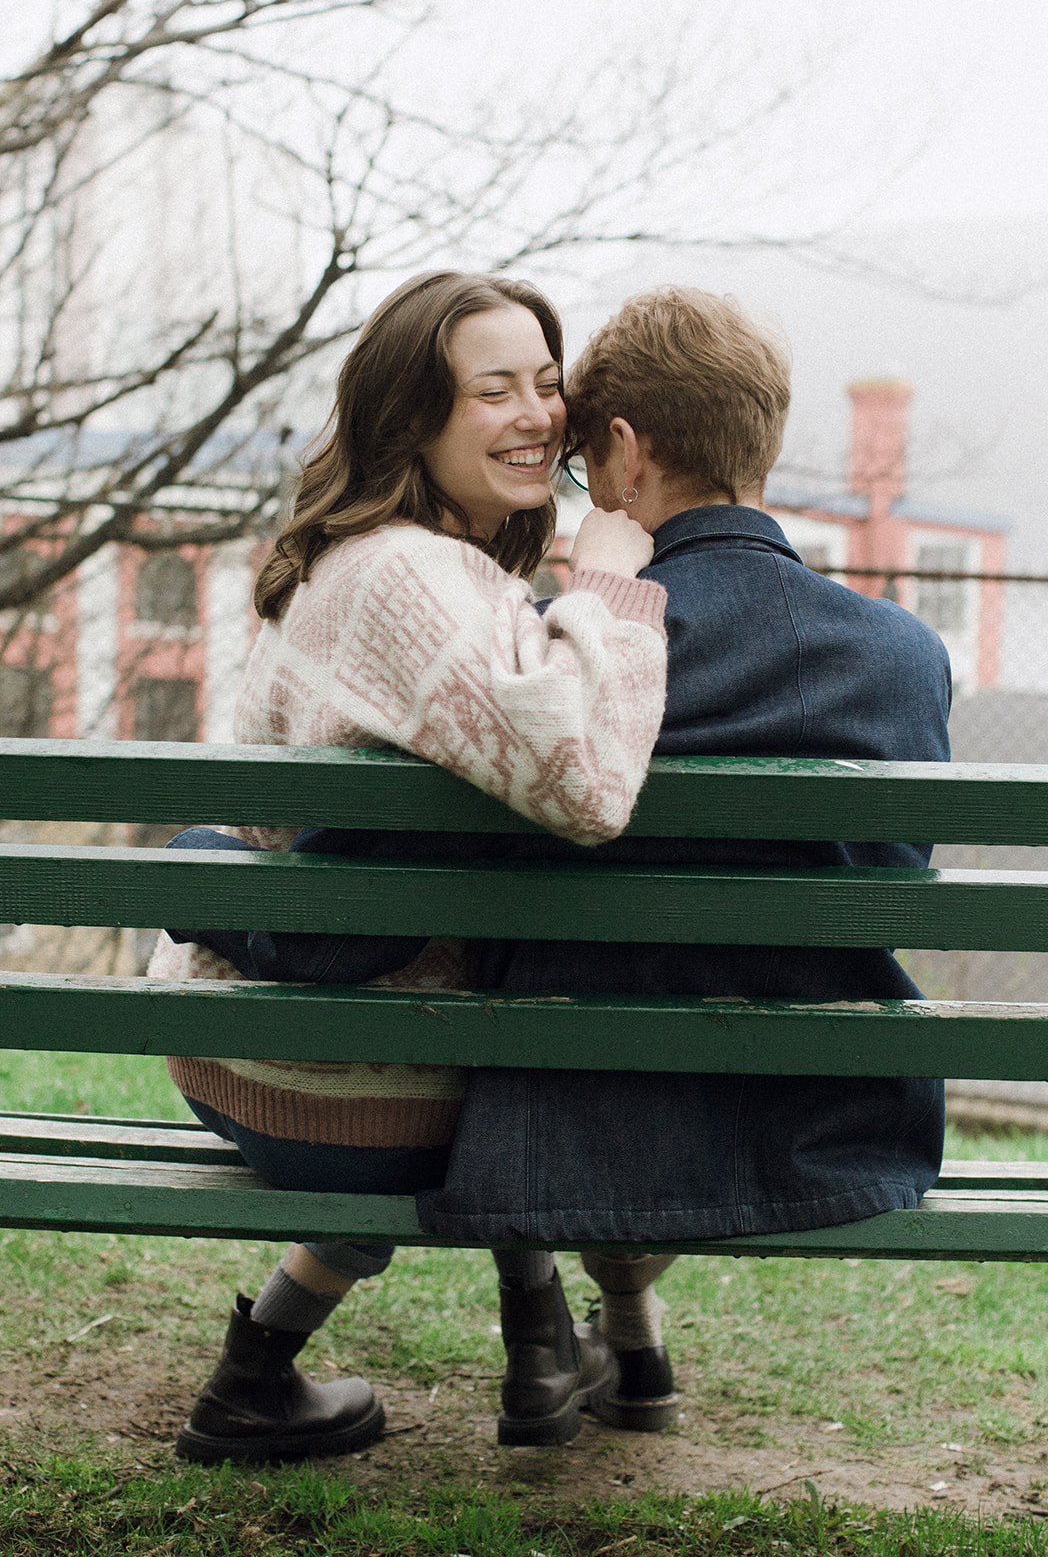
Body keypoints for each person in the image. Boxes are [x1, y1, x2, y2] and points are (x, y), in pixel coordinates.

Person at [147, 269, 669, 1463]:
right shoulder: (410, 582)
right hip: (332, 1081)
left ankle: (273, 1366)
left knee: (507, 981)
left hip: (276, 1033)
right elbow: (588, 787)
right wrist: (610, 582)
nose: (540, 412)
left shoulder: (375, 561)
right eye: (494, 390)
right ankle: (597, 1336)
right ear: (410, 421)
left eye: (549, 382)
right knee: (574, 1033)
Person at [414, 286, 953, 1422]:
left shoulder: (584, 654)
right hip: (831, 1125)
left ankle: (560, 1323)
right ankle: (631, 1337)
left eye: (584, 470)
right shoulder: (906, 658)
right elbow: (894, 869)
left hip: (568, 1126)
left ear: (623, 449)